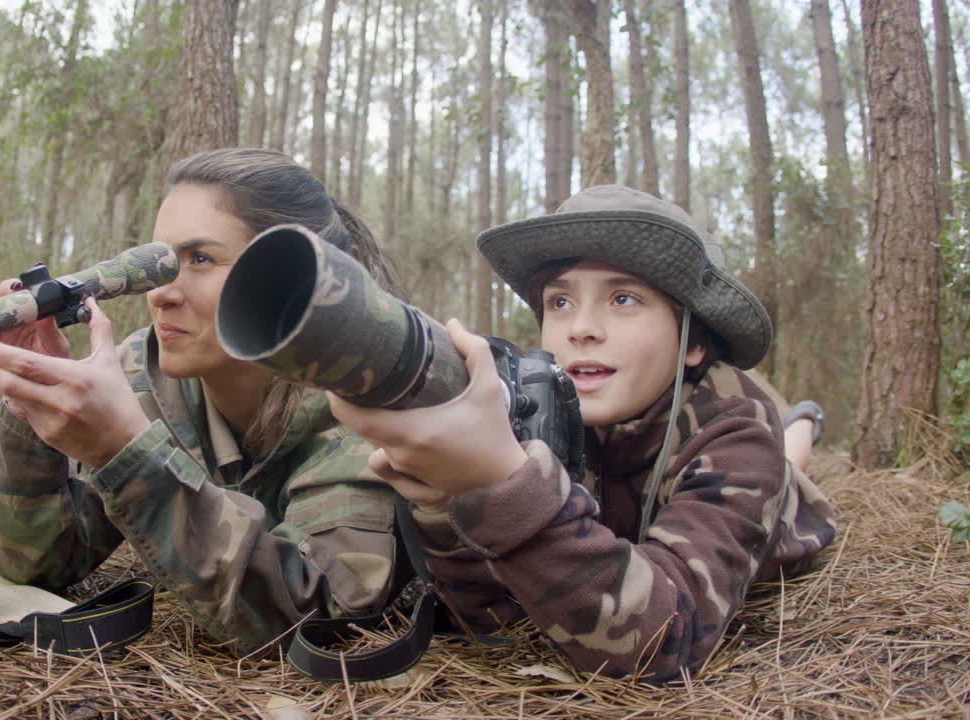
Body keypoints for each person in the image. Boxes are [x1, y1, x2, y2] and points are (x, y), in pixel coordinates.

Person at [329, 184, 837, 681]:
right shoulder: (545, 410)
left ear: (692, 342)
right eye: (561, 303)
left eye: (623, 298)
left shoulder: (738, 437)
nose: (582, 328)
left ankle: (801, 423)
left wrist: (510, 480)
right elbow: (496, 622)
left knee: (790, 460)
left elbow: (667, 639)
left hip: (773, 499)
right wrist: (453, 501)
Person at [0, 148, 404, 655]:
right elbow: (26, 564)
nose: (160, 294)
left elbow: (323, 612)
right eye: (161, 263)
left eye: (201, 259)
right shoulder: (141, 373)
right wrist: (30, 407)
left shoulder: (361, 399)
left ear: (292, 279)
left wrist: (125, 454)